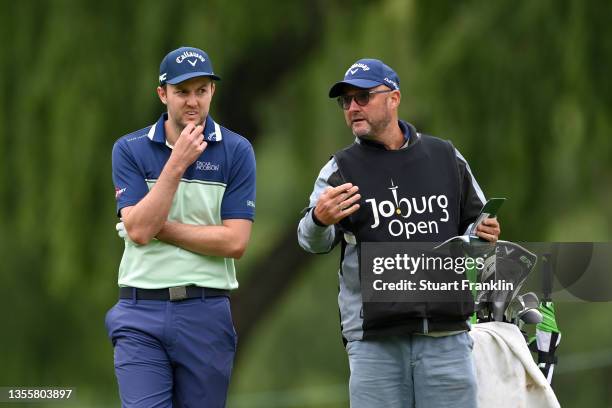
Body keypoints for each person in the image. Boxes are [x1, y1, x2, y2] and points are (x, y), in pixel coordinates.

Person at [297, 58, 500, 408]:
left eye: (363, 97)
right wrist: (319, 218)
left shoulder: (445, 156)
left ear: (394, 98)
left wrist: (483, 231)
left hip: (446, 335)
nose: (352, 108)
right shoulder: (339, 170)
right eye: (345, 101)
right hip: (375, 340)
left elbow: (474, 228)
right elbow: (311, 241)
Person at [107, 46, 256, 408]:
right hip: (139, 310)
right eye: (182, 92)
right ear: (163, 94)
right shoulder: (129, 149)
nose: (193, 101)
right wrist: (176, 164)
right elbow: (140, 231)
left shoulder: (237, 151)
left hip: (206, 312)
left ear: (212, 92)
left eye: (200, 90)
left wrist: (161, 226)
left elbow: (235, 242)